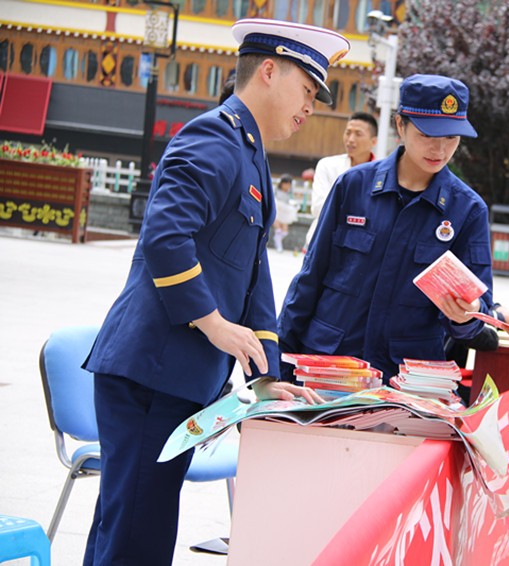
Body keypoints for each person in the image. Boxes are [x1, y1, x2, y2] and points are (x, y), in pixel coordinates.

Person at [81, 18, 347, 565]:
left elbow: (252, 280)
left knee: (133, 528)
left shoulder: (250, 154)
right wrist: (213, 323)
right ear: (268, 71)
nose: (310, 107)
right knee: (135, 536)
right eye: (306, 90)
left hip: (174, 376)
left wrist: (266, 376)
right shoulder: (214, 138)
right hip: (151, 372)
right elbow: (165, 236)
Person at [278, 74, 493, 381]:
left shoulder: (467, 211)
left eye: (451, 137)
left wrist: (465, 316)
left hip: (406, 378)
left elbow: (480, 312)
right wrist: (278, 364)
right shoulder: (352, 186)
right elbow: (310, 279)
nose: (440, 149)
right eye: (427, 134)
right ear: (400, 125)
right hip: (330, 365)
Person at [303, 111, 378, 248]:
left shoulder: (382, 174)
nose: (351, 139)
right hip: (322, 243)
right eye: (348, 132)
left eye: (358, 134)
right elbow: (318, 207)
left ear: (373, 141)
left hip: (360, 248)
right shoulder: (327, 165)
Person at [272, 173, 298, 252]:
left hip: (285, 212)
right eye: (286, 183)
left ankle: (277, 240)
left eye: (289, 184)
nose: (288, 185)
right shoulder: (275, 190)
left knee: (284, 232)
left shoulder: (289, 193)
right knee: (278, 230)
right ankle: (279, 246)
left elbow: (290, 201)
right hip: (277, 210)